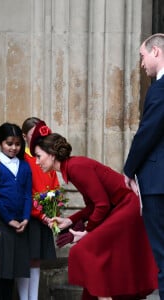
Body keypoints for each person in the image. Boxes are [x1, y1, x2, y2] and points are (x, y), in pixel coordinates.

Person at [30, 122, 158, 300]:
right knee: (105, 259)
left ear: (51, 155)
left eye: (38, 156)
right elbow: (93, 206)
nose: (36, 162)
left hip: (128, 207)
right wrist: (70, 221)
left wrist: (88, 232)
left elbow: (102, 205)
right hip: (122, 207)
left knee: (84, 250)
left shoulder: (76, 167)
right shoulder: (73, 167)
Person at [123, 33, 164, 300]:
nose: (141, 64)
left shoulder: (160, 88)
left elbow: (148, 131)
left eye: (142, 56)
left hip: (158, 182)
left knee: (162, 253)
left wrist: (129, 169)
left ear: (157, 52)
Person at [0, 122, 32, 300]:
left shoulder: (25, 166)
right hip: (1, 224)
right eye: (9, 143)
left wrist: (26, 218)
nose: (14, 148)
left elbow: (28, 194)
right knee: (1, 270)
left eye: (18, 144)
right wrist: (8, 219)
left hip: (20, 225)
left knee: (14, 269)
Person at [21, 117, 59, 300]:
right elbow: (25, 190)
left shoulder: (46, 156)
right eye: (31, 135)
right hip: (30, 214)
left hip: (45, 214)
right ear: (24, 136)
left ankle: (33, 297)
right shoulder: (23, 158)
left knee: (36, 259)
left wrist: (54, 205)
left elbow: (54, 182)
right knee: (25, 258)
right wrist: (39, 212)